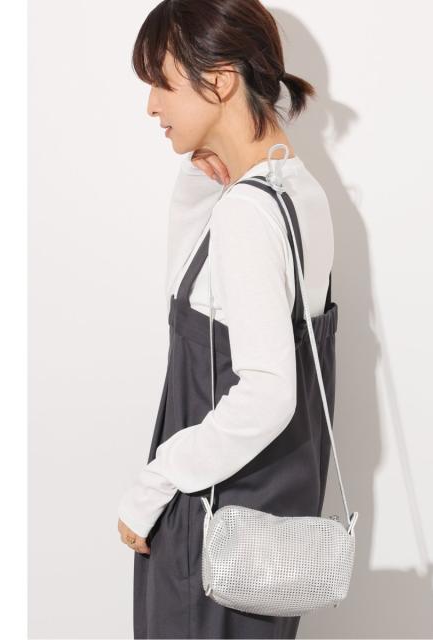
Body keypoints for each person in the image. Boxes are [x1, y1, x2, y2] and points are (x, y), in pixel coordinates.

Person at [116, 1, 338, 637]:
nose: (151, 106)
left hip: (209, 523)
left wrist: (154, 483)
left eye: (162, 83)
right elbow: (198, 289)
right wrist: (200, 179)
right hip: (267, 531)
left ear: (218, 80)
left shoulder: (247, 212)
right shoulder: (299, 191)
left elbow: (268, 393)